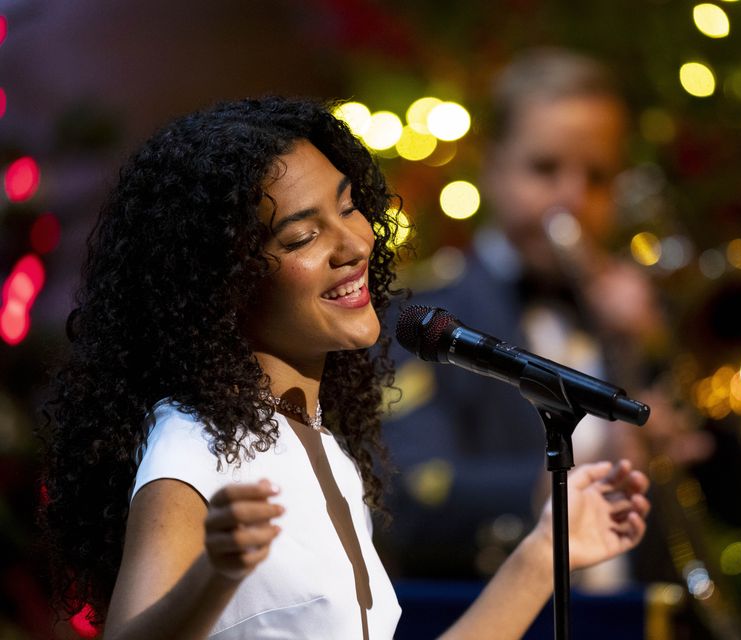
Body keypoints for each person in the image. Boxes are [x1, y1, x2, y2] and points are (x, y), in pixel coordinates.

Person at [37, 96, 651, 639]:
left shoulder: (316, 441)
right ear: (222, 285)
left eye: (350, 206)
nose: (355, 244)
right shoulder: (193, 448)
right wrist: (213, 577)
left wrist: (545, 552)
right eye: (302, 237)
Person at [383, 49, 710, 587]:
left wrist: (657, 347)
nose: (572, 200)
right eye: (545, 168)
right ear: (492, 166)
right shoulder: (426, 312)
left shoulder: (647, 315)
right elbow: (405, 497)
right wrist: (564, 481)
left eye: (598, 177)